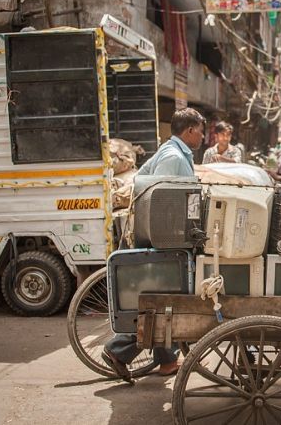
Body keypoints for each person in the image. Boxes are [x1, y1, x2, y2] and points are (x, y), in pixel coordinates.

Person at [102, 108, 206, 381]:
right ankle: (120, 349)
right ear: (190, 131)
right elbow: (162, 197)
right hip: (165, 236)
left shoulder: (171, 150)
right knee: (166, 296)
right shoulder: (172, 157)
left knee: (165, 297)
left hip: (163, 233)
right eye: (201, 130)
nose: (203, 136)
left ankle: (168, 360)